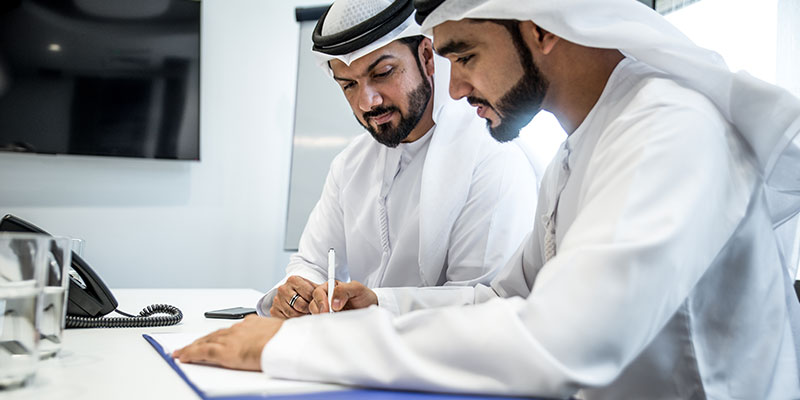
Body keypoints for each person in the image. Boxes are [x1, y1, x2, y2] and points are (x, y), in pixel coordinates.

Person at [174, 0, 800, 398]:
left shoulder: (670, 128)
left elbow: (560, 344)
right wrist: (381, 302)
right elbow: (507, 295)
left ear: (538, 30)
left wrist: (288, 347)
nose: (454, 87)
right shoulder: (584, 146)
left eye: (465, 54)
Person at [259, 0, 540, 319]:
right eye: (349, 85)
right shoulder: (351, 163)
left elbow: (487, 305)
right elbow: (311, 263)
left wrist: (379, 303)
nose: (367, 102)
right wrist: (298, 293)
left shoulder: (491, 157)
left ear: (427, 57)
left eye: (382, 73)